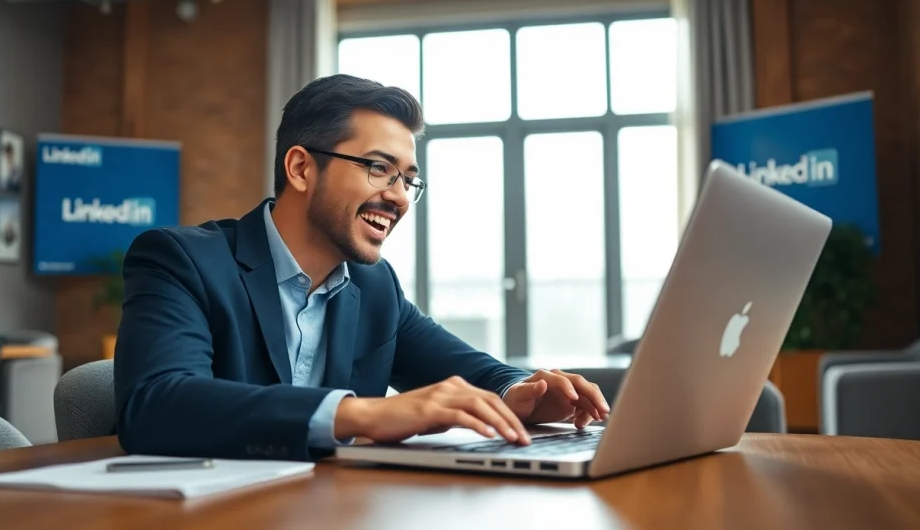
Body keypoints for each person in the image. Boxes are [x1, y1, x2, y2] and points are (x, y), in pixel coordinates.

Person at [114, 74, 611, 462]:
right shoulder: (182, 260)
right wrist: (363, 415)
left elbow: (471, 371)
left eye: (408, 179)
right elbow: (155, 405)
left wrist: (524, 393)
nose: (397, 196)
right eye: (378, 168)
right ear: (301, 168)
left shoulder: (374, 286)